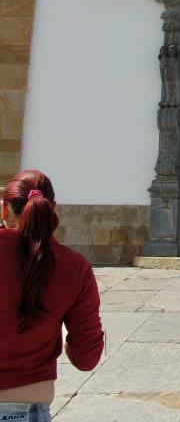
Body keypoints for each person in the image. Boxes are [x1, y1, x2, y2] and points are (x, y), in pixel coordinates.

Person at [0, 170, 104, 422]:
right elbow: (87, 358)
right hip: (28, 407)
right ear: (53, 209)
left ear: (4, 210)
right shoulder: (73, 267)